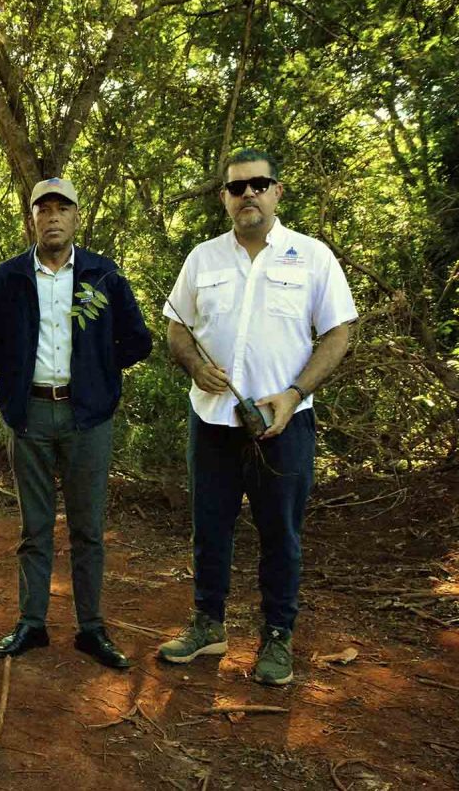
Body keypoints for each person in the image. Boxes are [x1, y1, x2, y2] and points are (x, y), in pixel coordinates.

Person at [157, 149, 356, 685]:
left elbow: (338, 333)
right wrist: (195, 366)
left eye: (258, 184)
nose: (248, 194)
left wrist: (294, 393)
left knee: (281, 533)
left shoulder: (312, 257)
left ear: (276, 192)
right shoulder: (204, 258)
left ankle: (276, 636)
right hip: (213, 421)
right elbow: (177, 325)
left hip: (283, 425)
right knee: (210, 528)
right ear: (224, 197)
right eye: (236, 187)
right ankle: (208, 624)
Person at [0, 177, 152, 668]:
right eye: (43, 209)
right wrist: (17, 374)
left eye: (62, 209)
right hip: (29, 415)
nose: (52, 217)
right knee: (34, 527)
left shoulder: (103, 276)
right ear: (31, 218)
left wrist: (97, 372)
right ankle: (32, 624)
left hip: (86, 417)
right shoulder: (9, 278)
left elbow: (137, 341)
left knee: (88, 528)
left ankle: (91, 628)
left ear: (76, 217)